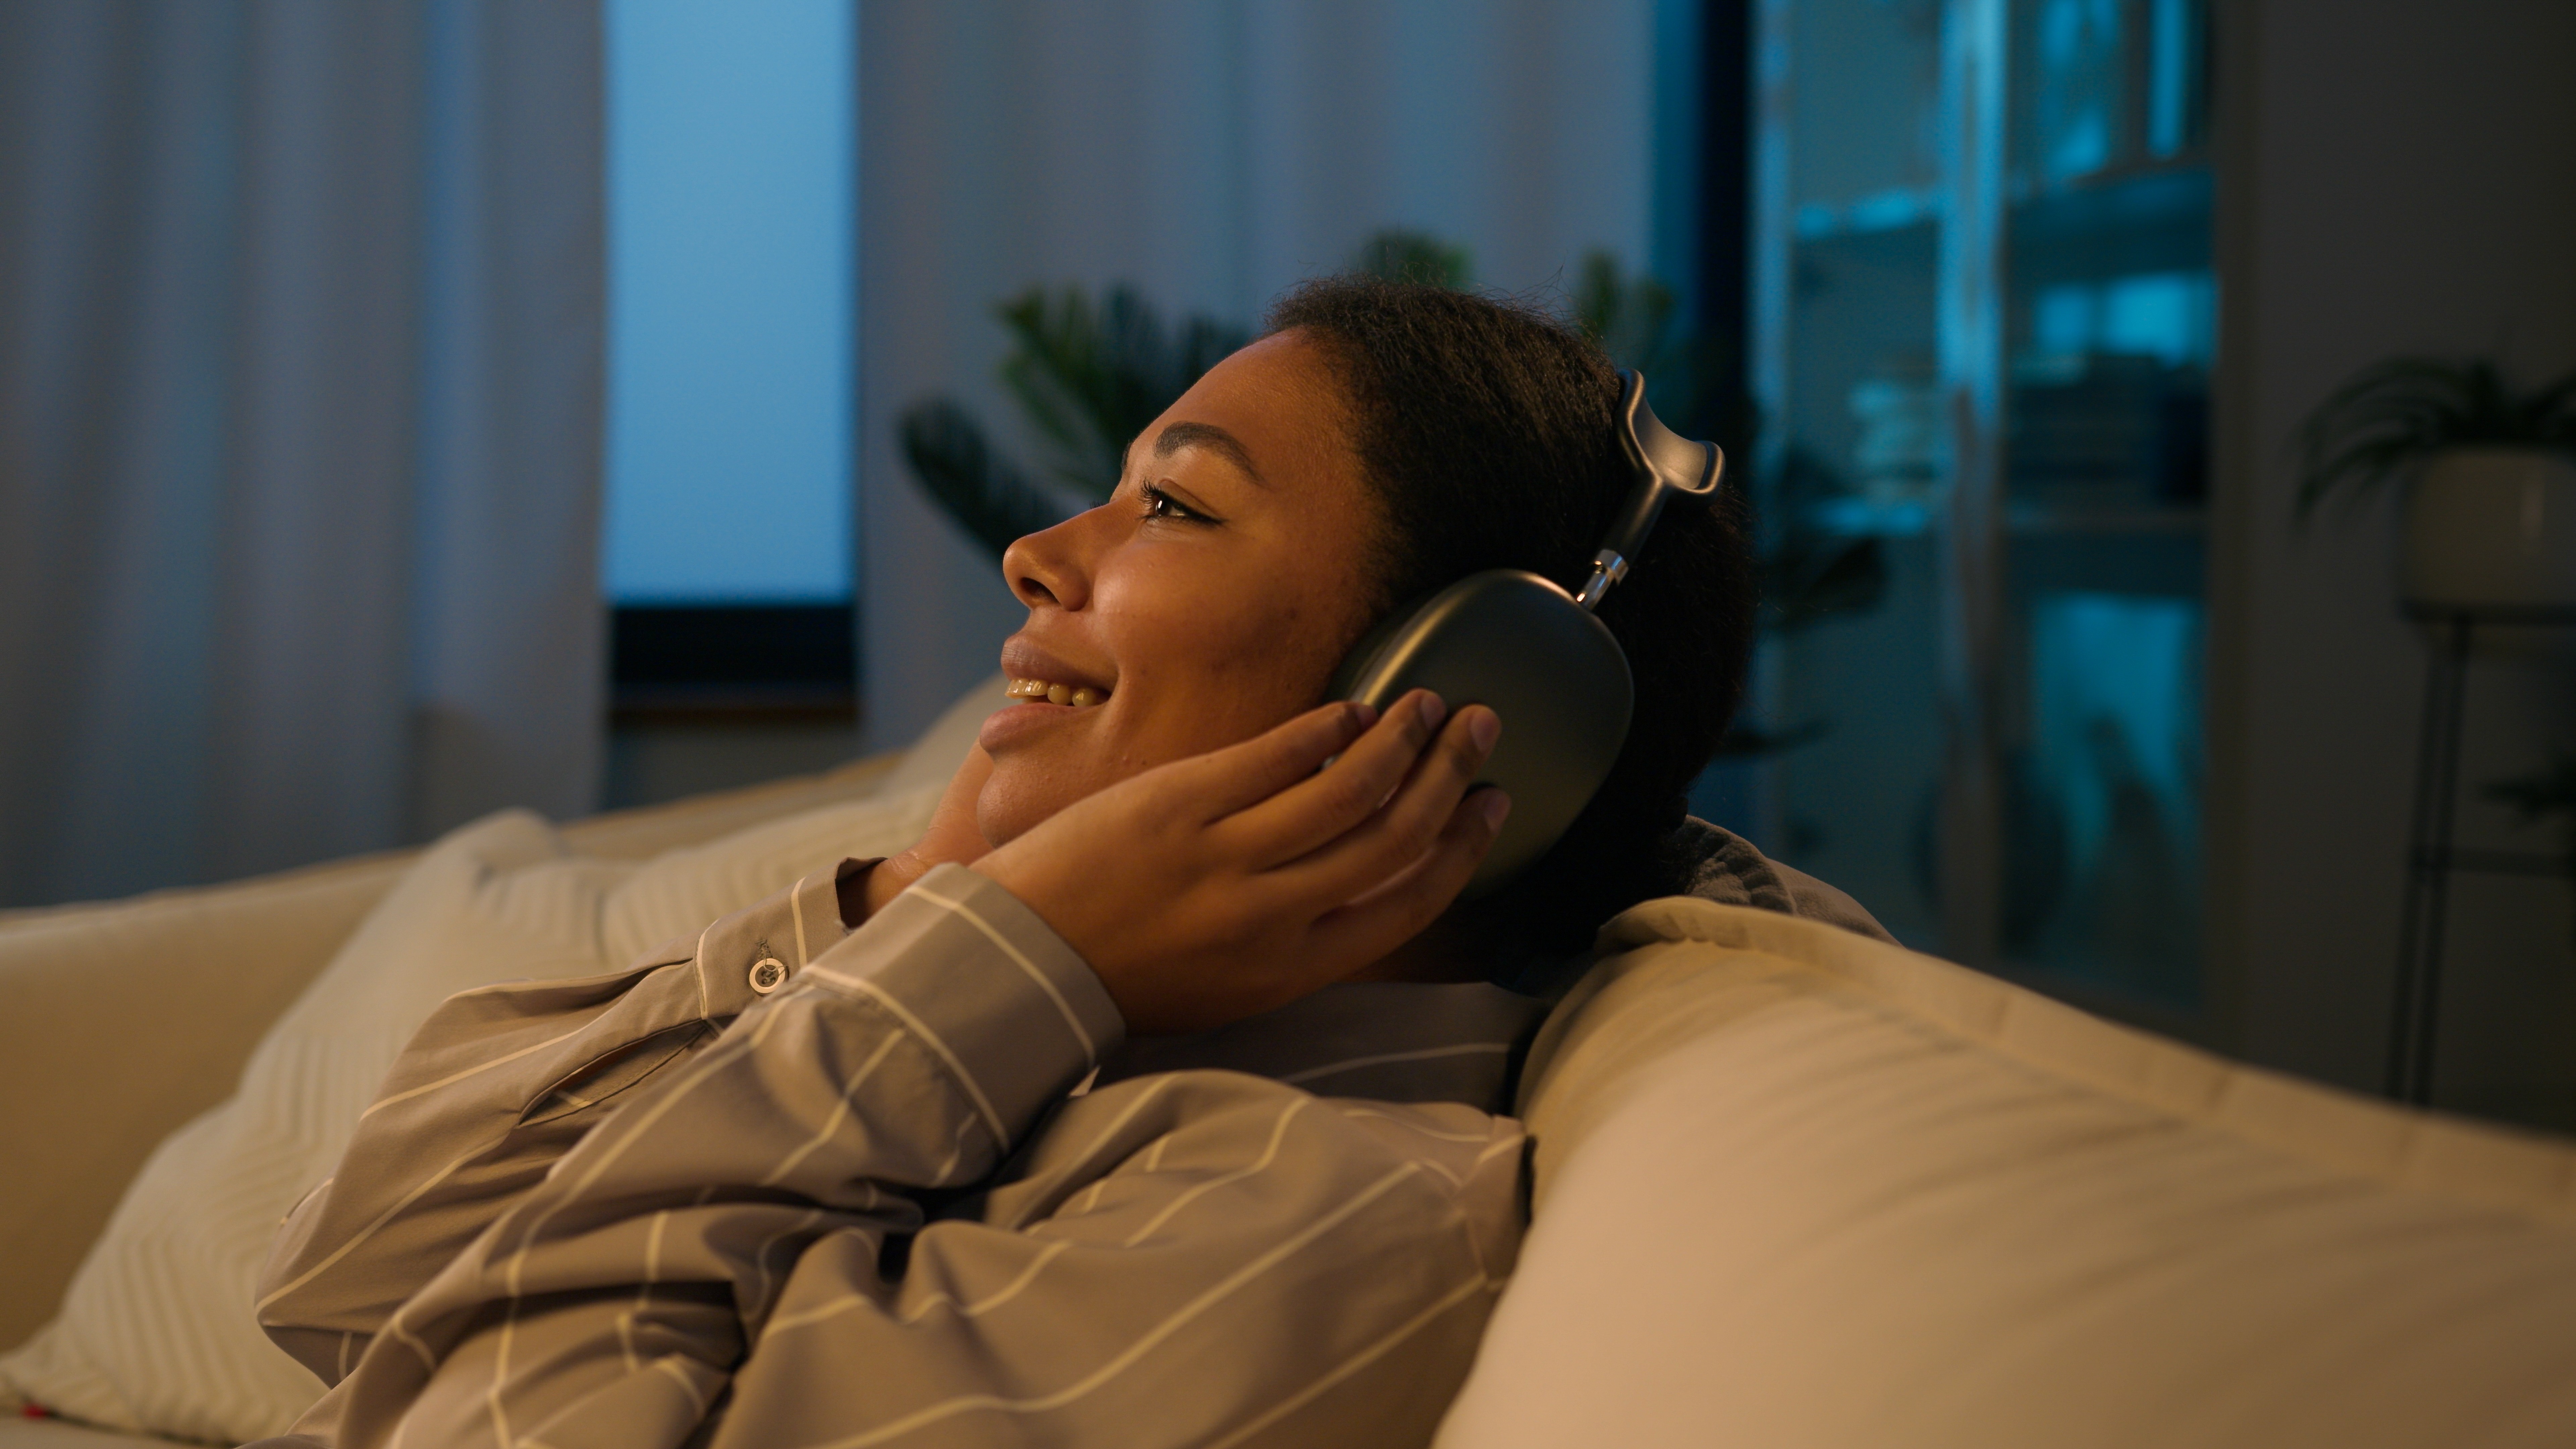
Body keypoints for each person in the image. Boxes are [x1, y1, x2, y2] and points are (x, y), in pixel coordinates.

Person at [249, 277, 1887, 1449]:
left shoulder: (1315, 1230)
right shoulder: (1042, 1017)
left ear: (1471, 708)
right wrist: (922, 913)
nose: (1039, 555)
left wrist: (983, 965)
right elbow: (345, 1276)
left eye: (1170, 508)